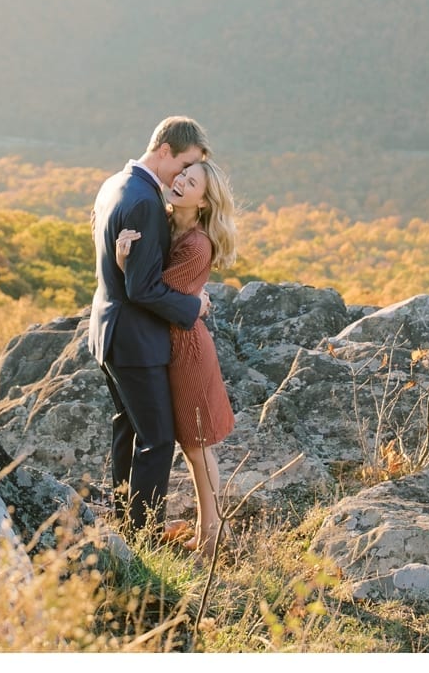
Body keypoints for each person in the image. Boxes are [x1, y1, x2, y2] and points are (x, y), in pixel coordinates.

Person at [87, 116, 211, 536]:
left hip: (107, 331)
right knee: (157, 439)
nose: (183, 176)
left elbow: (119, 269)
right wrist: (191, 307)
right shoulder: (144, 201)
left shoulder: (114, 184)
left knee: (128, 426)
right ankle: (144, 538)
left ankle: (124, 522)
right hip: (134, 340)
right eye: (184, 165)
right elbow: (142, 289)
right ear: (164, 152)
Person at [115, 158, 238, 558]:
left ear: (204, 201)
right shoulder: (168, 223)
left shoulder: (197, 244)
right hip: (166, 344)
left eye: (193, 181)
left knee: (197, 445)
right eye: (182, 175)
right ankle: (206, 534)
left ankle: (211, 538)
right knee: (189, 444)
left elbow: (154, 291)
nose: (181, 181)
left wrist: (125, 264)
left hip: (186, 350)